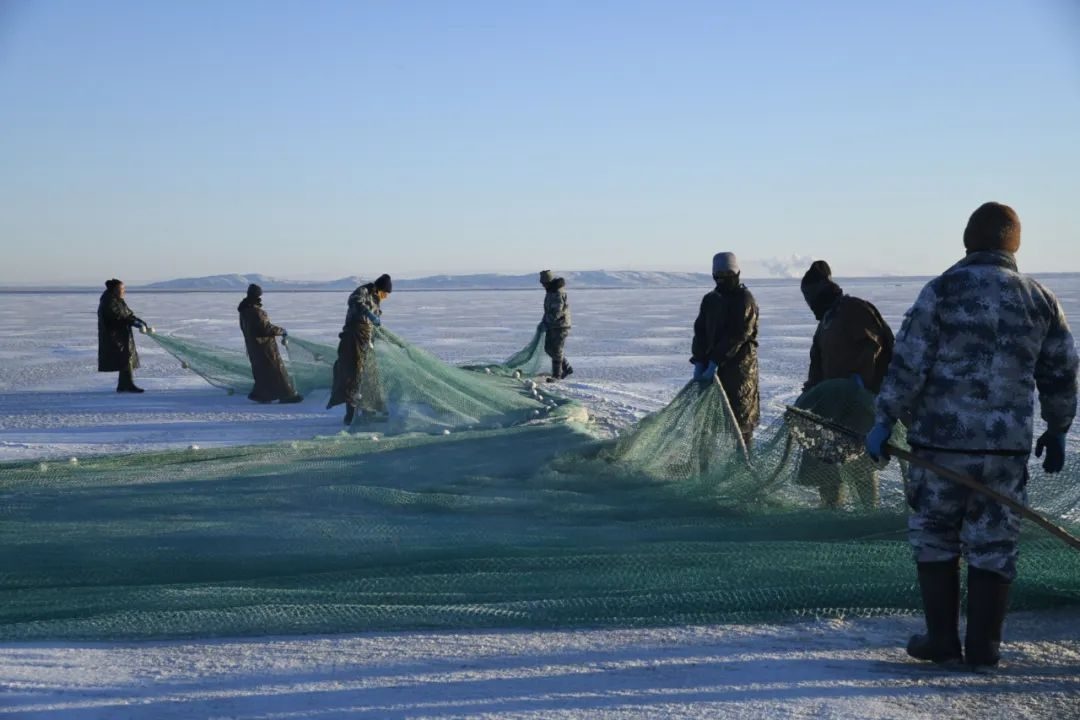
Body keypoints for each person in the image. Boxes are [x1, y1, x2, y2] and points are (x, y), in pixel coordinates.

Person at [866, 202, 1078, 669]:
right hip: (1004, 451)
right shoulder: (1039, 298)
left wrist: (885, 419)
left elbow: (909, 362)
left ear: (967, 239)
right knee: (995, 541)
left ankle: (942, 638)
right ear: (1014, 243)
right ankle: (985, 647)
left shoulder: (942, 292)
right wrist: (1058, 429)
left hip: (940, 449)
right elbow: (1062, 371)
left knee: (936, 535)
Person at [798, 260, 895, 508]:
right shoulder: (825, 324)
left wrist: (862, 380)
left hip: (860, 404)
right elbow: (817, 368)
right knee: (825, 460)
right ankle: (832, 507)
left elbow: (875, 344)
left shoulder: (853, 309)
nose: (810, 303)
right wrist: (810, 395)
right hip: (831, 408)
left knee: (860, 463)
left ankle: (868, 510)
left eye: (812, 296)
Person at [691, 252, 760, 451]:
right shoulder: (710, 300)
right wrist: (699, 360)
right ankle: (704, 469)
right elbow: (700, 331)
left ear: (736, 272)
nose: (722, 278)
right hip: (711, 373)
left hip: (740, 373)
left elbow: (739, 334)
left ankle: (743, 468)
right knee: (706, 424)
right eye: (718, 274)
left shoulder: (745, 300)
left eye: (727, 273)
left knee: (740, 425)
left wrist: (715, 360)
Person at [328, 274, 392, 425]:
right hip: (352, 340)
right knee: (353, 376)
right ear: (379, 289)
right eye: (385, 293)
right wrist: (368, 313)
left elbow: (373, 326)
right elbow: (354, 301)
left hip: (366, 342)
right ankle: (350, 415)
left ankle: (369, 410)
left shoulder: (376, 302)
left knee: (370, 375)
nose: (386, 297)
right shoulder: (363, 291)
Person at [237, 284, 303, 404]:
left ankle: (262, 395)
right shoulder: (257, 312)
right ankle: (287, 395)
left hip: (253, 347)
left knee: (262, 372)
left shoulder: (244, 312)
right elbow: (265, 329)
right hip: (265, 347)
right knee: (277, 371)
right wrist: (281, 330)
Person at [97, 278, 151, 393]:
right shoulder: (109, 301)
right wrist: (133, 323)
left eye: (123, 289)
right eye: (121, 289)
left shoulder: (117, 300)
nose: (123, 291)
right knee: (125, 358)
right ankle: (128, 385)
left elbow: (128, 315)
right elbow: (117, 318)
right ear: (115, 289)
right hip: (114, 336)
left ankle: (123, 385)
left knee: (125, 359)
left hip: (121, 335)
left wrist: (140, 322)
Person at [539, 270, 573, 382]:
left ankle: (557, 375)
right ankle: (566, 368)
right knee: (549, 348)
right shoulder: (550, 291)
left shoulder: (557, 293)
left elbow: (557, 313)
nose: (542, 285)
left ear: (548, 282)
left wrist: (546, 321)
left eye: (544, 283)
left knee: (557, 350)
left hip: (560, 325)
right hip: (552, 325)